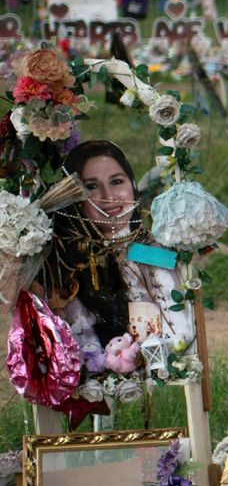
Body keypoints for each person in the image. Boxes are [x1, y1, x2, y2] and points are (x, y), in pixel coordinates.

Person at [35, 141, 193, 358]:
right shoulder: (67, 258)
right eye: (91, 186)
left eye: (117, 181)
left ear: (132, 185)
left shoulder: (154, 249)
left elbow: (181, 324)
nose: (108, 196)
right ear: (75, 198)